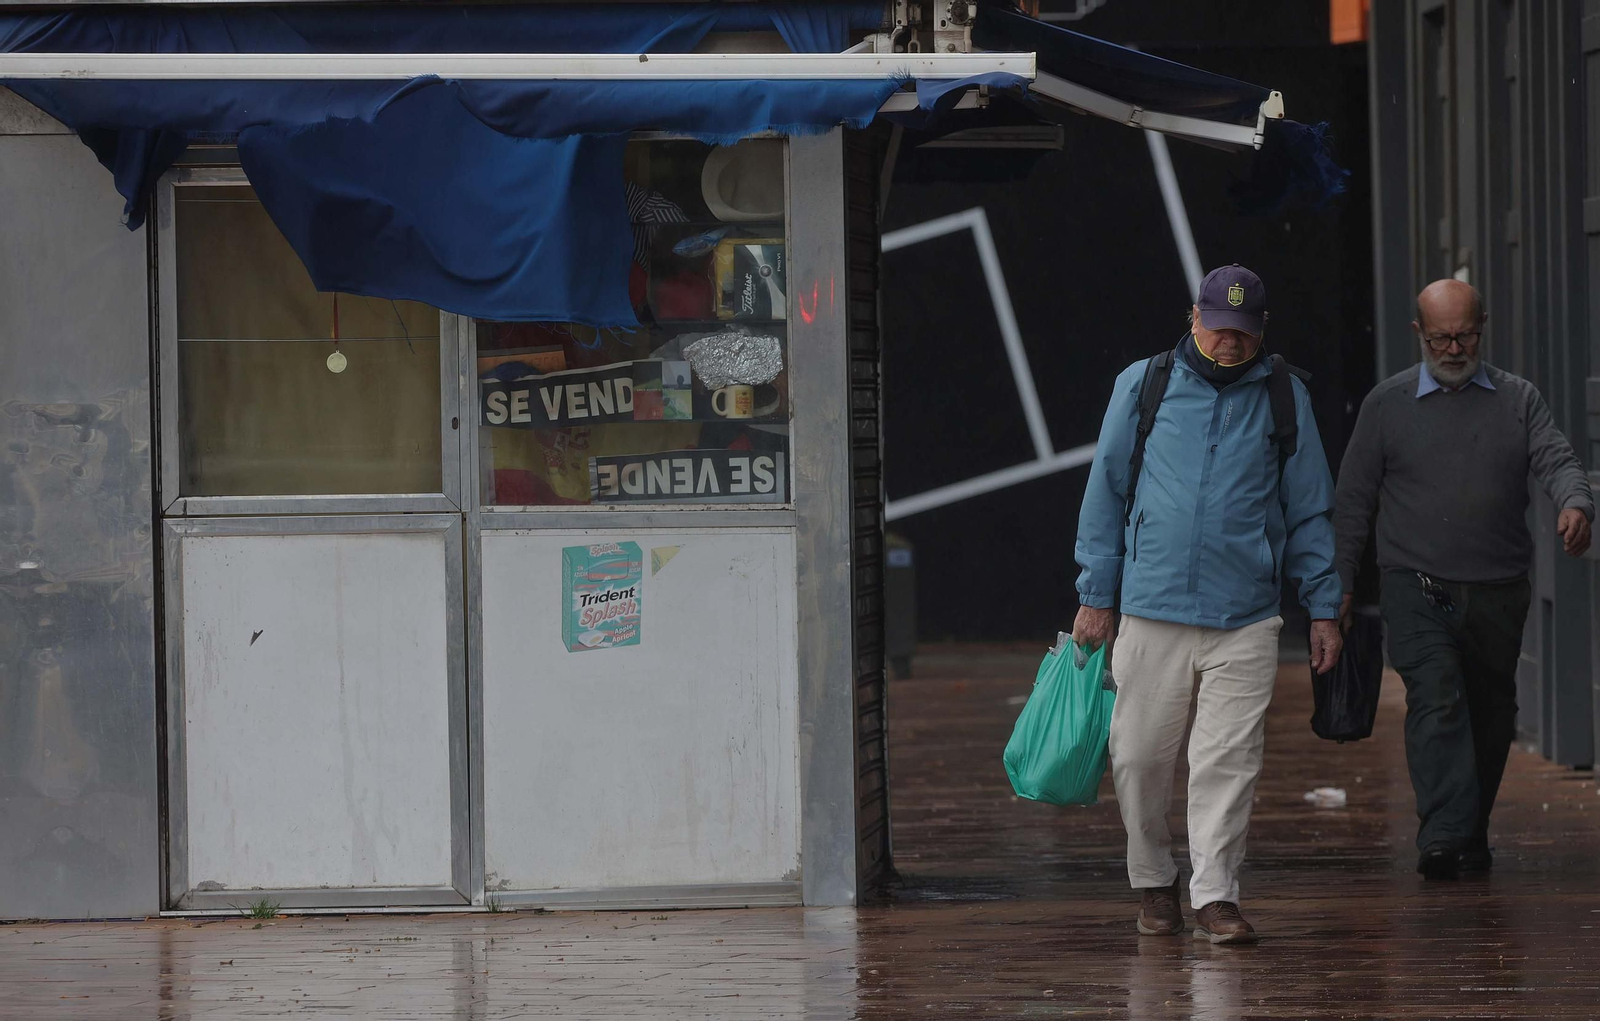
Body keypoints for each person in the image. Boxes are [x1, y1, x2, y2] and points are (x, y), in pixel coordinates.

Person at [1074, 265, 1344, 945]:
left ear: (1261, 330)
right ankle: (1152, 878)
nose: (1229, 342)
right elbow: (1106, 490)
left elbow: (1310, 509)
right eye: (1218, 328)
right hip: (1151, 605)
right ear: (1192, 317)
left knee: (1228, 758)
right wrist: (1094, 595)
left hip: (1245, 612)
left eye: (1242, 332)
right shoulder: (1145, 384)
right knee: (1136, 756)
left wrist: (1323, 606)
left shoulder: (1285, 395)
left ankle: (1215, 893)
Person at [1333, 279, 1594, 881]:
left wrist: (1575, 502)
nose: (1454, 348)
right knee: (1437, 697)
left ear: (1483, 326)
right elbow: (1353, 502)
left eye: (1466, 334)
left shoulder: (1517, 399)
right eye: (1441, 337)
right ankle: (1444, 836)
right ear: (1418, 334)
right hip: (1415, 583)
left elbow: (1556, 458)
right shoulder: (1386, 405)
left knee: (1490, 710)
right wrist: (1341, 583)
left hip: (1499, 586)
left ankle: (1467, 831)